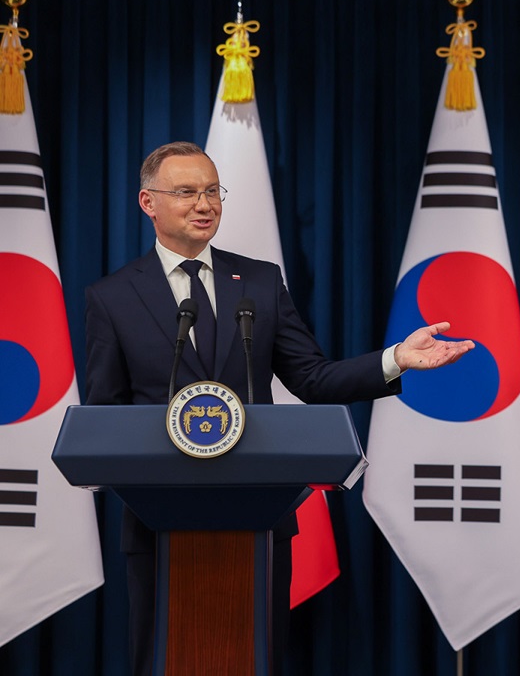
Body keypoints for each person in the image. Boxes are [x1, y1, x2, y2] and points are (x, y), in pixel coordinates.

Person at [84, 141, 474, 676]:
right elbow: (105, 417)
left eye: (213, 191)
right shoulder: (112, 297)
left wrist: (395, 359)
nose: (205, 204)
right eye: (186, 192)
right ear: (148, 203)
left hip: (258, 519)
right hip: (159, 525)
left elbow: (311, 379)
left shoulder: (260, 282)